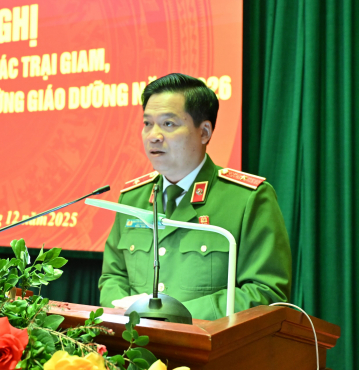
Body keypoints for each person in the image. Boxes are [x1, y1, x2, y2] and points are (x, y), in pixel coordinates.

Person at [98, 73, 292, 320]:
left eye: (168, 124)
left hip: (209, 342)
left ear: (204, 132)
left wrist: (172, 315)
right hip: (135, 341)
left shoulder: (248, 200)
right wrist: (127, 311)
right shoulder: (132, 198)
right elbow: (113, 276)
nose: (153, 135)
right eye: (147, 123)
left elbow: (265, 292)